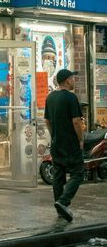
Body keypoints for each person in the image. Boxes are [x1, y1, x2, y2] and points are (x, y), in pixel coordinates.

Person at [44, 68, 84, 222]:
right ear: (67, 80)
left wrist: (54, 135)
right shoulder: (71, 98)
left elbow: (47, 120)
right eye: (73, 78)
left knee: (58, 175)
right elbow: (76, 121)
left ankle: (60, 211)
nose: (74, 80)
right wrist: (80, 139)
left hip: (57, 143)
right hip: (70, 143)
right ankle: (63, 201)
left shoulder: (50, 97)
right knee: (78, 173)